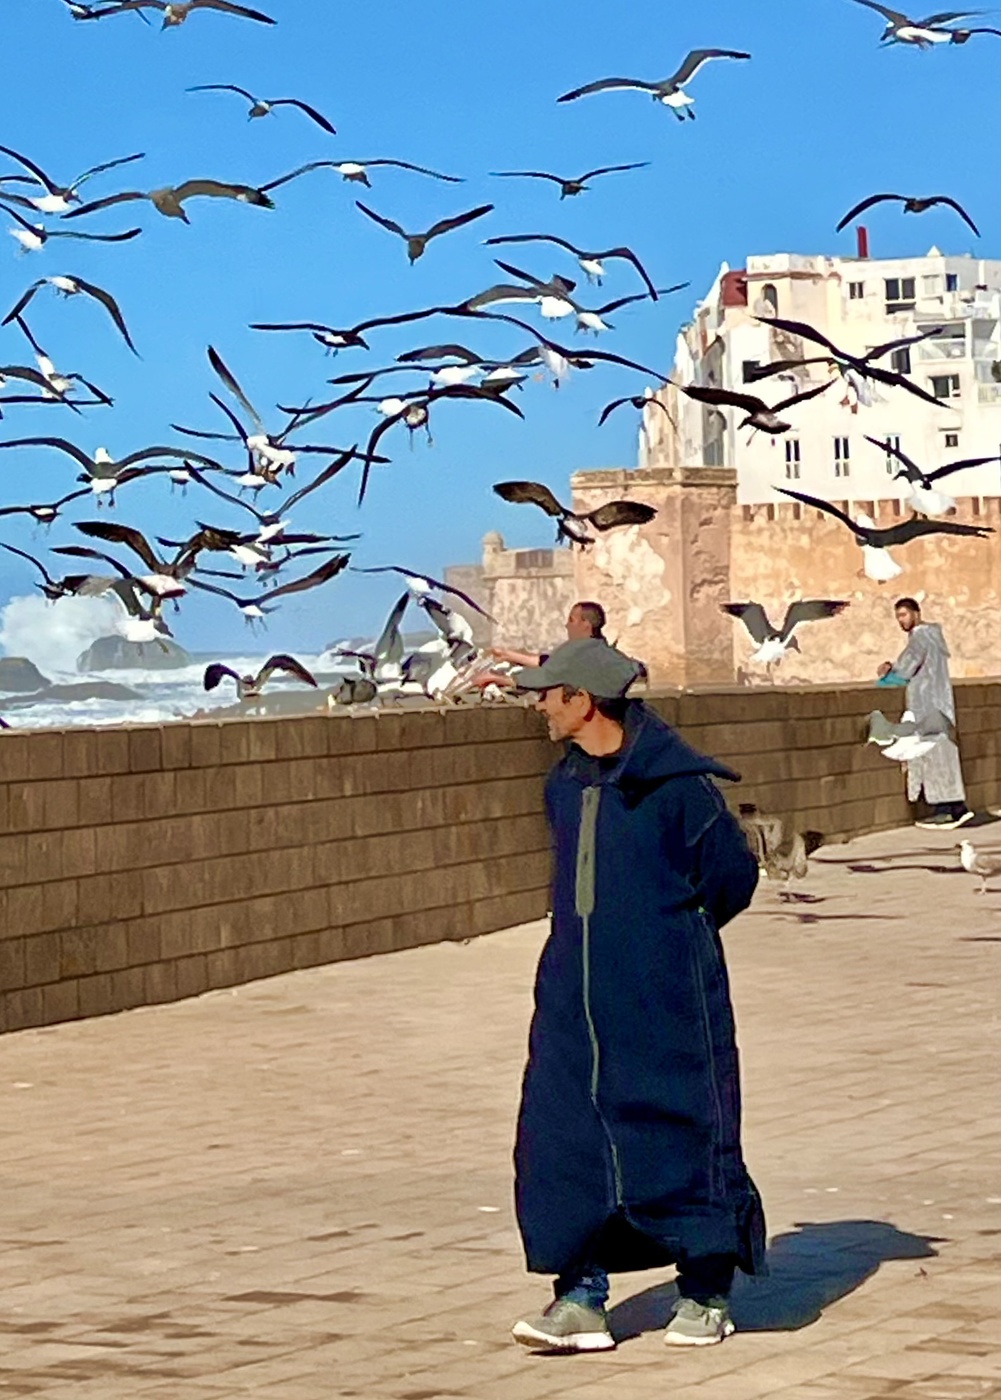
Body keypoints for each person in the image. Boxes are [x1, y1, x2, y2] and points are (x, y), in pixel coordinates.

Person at [509, 637, 765, 1354]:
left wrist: (666, 939)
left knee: (682, 1131)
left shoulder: (678, 789)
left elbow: (729, 880)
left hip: (666, 993)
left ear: (581, 701)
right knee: (563, 1141)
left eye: (547, 693)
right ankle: (580, 1299)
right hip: (571, 999)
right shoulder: (562, 784)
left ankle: (705, 1290)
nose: (537, 705)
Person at [875, 597, 973, 830]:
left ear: (916, 614)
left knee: (934, 758)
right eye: (898, 616)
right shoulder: (933, 636)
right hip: (941, 705)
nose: (901, 621)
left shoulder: (920, 637)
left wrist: (887, 675)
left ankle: (944, 812)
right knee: (945, 756)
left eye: (904, 615)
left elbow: (907, 668)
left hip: (928, 705)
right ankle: (958, 808)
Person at [489, 600, 607, 670]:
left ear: (586, 624)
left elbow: (551, 670)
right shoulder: (589, 650)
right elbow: (549, 663)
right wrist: (507, 655)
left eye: (571, 620)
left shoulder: (588, 655)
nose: (567, 626)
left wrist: (497, 678)